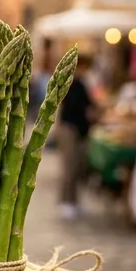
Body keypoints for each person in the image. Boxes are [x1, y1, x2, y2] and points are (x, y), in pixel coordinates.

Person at [56, 52, 97, 220]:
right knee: (69, 168)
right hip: (69, 129)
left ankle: (74, 201)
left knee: (77, 168)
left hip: (78, 131)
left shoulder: (81, 83)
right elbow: (74, 108)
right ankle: (65, 203)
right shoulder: (71, 83)